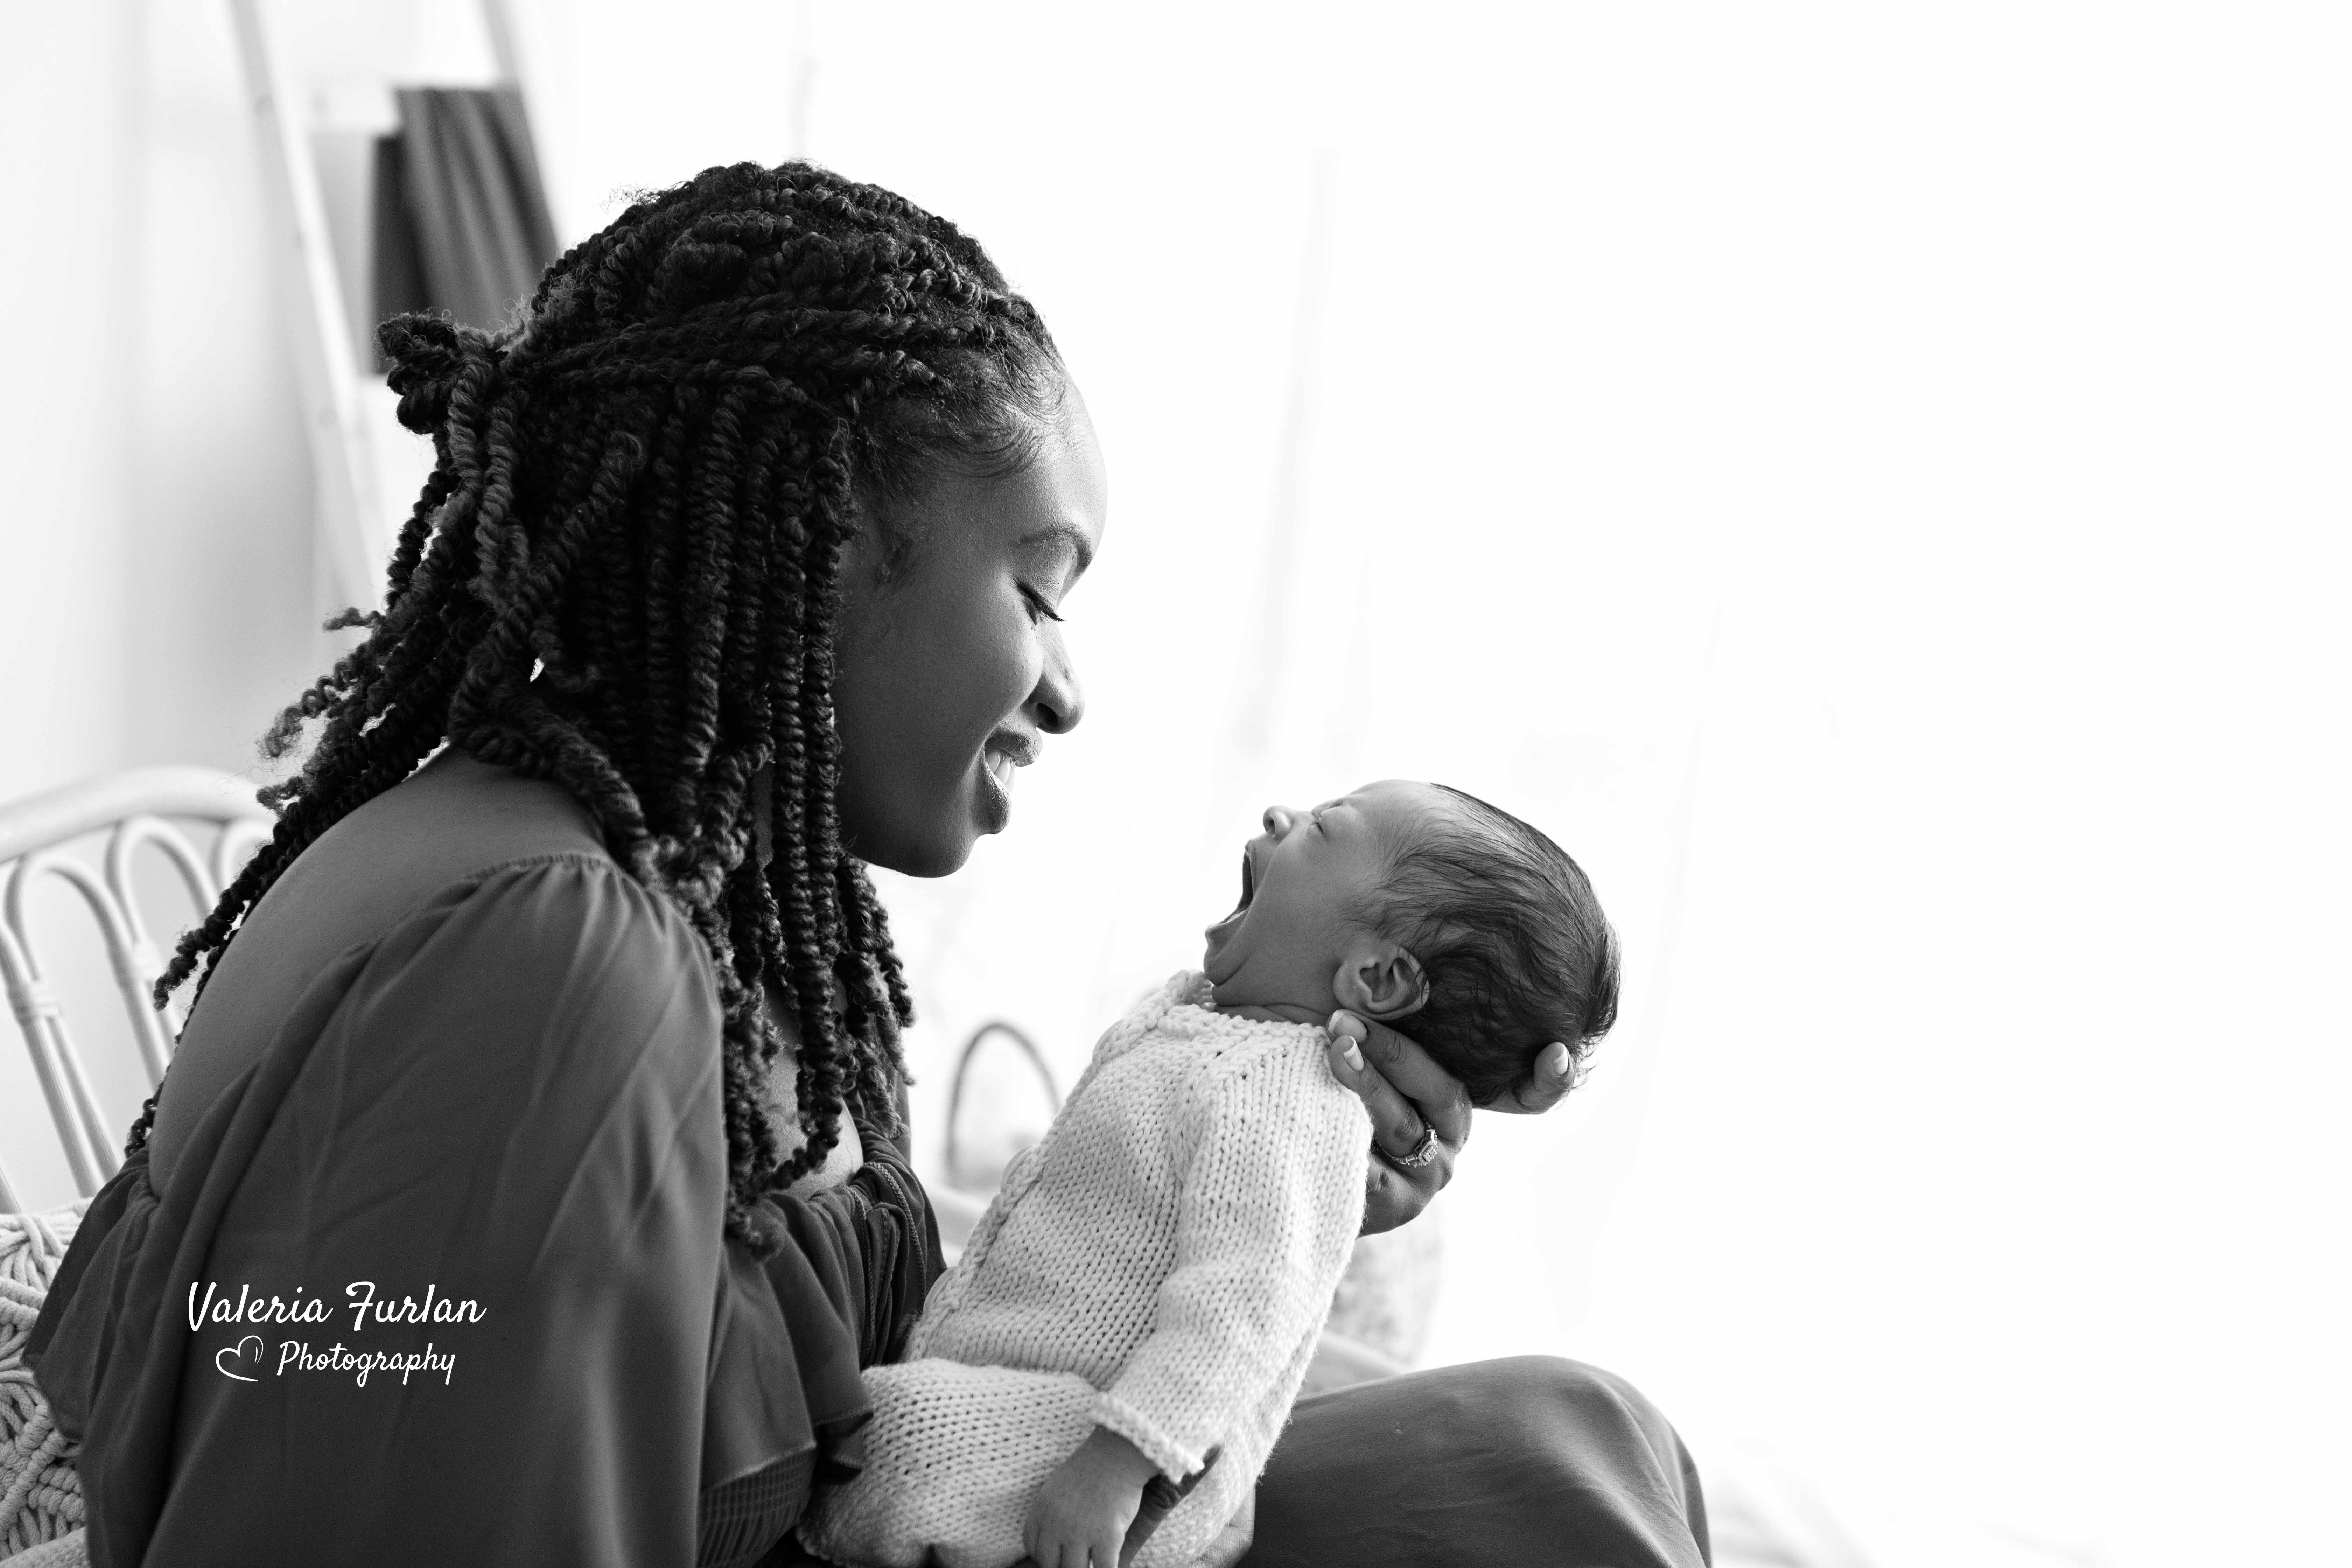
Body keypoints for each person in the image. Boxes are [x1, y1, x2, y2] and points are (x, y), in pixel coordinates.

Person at [27, 161, 1709, 1568]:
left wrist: (1252, 1190)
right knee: (1562, 1480)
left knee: (1565, 1451)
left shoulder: (640, 887)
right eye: (1041, 590)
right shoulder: (551, 957)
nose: (1066, 686)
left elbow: (732, 1350)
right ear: (818, 546)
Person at [802, 779, 1621, 1568]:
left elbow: (1242, 1305)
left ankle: (823, 1532)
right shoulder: (1215, 1033)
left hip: (1104, 1433)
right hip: (1046, 1384)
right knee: (894, 1427)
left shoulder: (1285, 1094)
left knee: (897, 1440)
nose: (1281, 811)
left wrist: (1121, 1462)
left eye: (1325, 826)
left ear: (1375, 977)